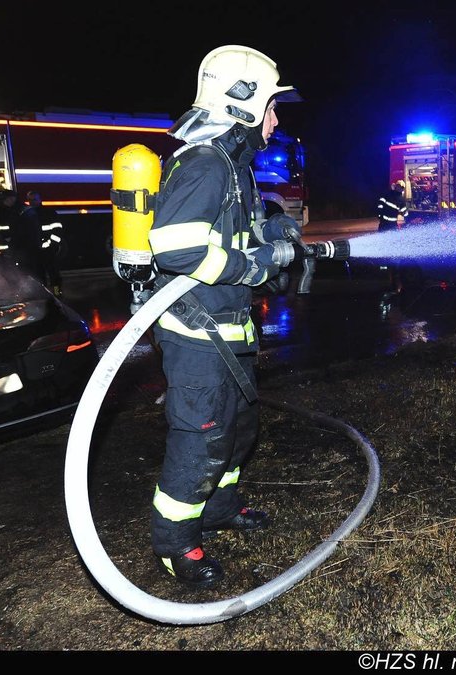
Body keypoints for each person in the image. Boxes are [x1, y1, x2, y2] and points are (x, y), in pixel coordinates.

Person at [146, 45, 302, 588]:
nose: (276, 119)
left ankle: (219, 509)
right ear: (244, 104)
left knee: (236, 431)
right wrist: (253, 267)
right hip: (196, 333)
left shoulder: (234, 165)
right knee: (203, 437)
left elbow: (232, 234)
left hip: (226, 330)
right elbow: (174, 247)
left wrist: (272, 238)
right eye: (271, 106)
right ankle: (176, 545)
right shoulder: (208, 162)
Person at [21, 191, 65, 294]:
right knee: (39, 275)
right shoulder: (27, 214)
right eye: (30, 200)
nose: (32, 202)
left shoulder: (49, 213)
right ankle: (44, 294)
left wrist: (51, 243)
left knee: (53, 274)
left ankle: (57, 293)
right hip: (35, 250)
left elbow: (58, 230)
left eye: (34, 199)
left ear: (40, 199)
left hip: (49, 250)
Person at [377, 181, 408, 307]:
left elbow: (379, 204)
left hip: (384, 224)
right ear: (402, 189)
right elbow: (405, 213)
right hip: (392, 226)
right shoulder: (400, 199)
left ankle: (384, 263)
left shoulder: (387, 194)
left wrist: (380, 215)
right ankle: (392, 265)